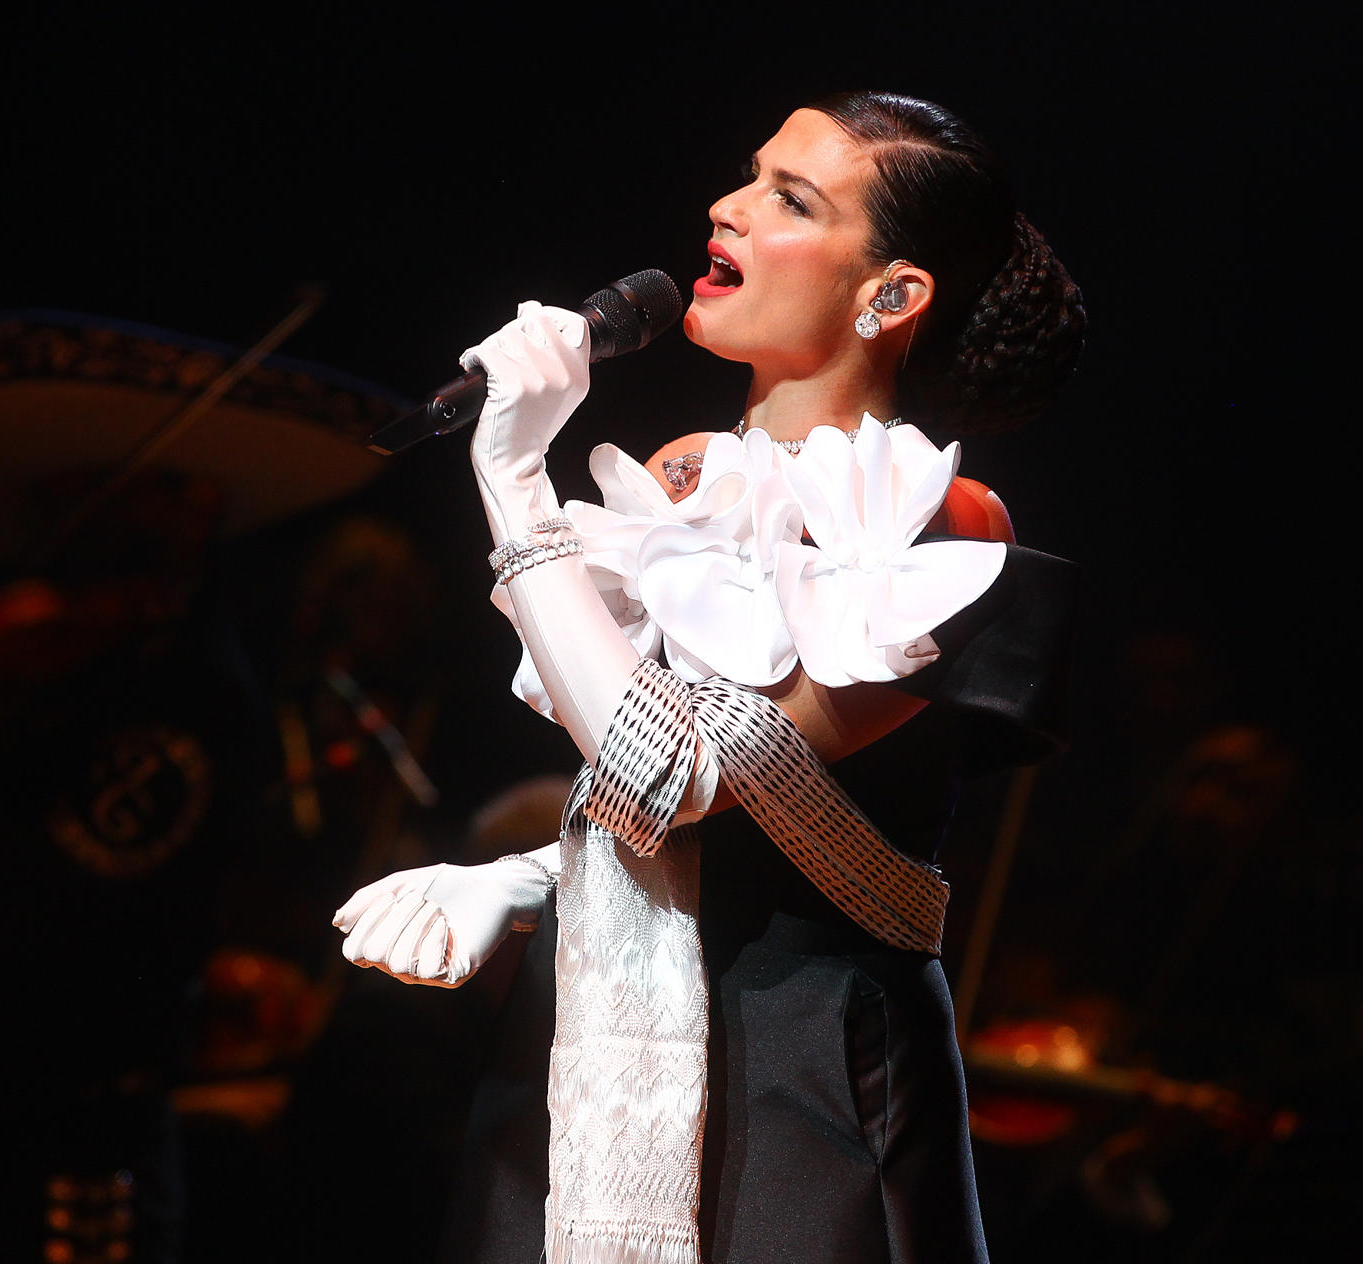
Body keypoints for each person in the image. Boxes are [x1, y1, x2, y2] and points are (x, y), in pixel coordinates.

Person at [332, 91, 1085, 1263]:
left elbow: (679, 770)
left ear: (891, 294)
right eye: (750, 177)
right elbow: (673, 799)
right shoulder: (685, 482)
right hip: (592, 1030)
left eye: (791, 199)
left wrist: (515, 477)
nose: (726, 210)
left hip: (803, 1071)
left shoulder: (935, 522)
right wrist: (532, 878)